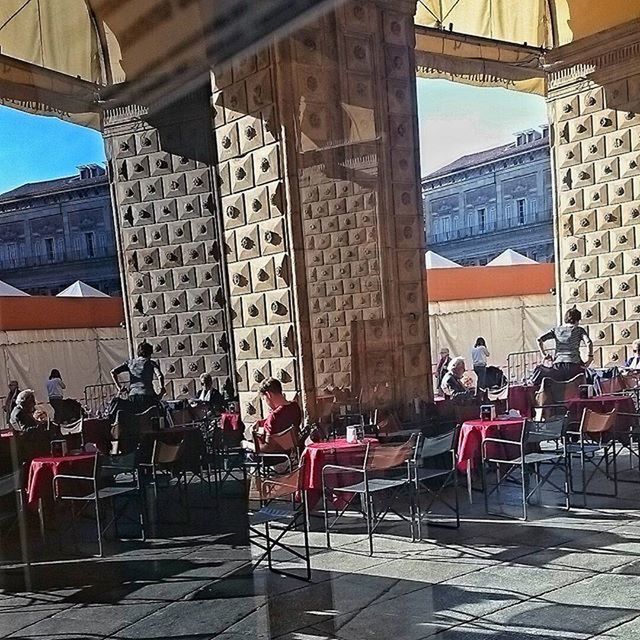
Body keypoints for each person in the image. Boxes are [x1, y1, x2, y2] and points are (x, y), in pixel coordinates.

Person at [242, 378, 302, 453]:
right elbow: (282, 419)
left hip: (274, 457)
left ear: (268, 394)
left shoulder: (273, 416)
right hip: (290, 451)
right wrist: (261, 423)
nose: (266, 403)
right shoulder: (295, 407)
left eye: (264, 399)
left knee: (244, 448)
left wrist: (248, 444)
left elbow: (267, 448)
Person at [537, 307, 593, 381]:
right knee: (583, 385)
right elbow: (589, 343)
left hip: (558, 364)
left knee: (559, 388)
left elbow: (539, 340)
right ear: (576, 320)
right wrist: (590, 358)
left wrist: (544, 354)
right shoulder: (579, 330)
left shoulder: (556, 330)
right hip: (574, 364)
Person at [111, 342, 166, 413]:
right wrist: (162, 389)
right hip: (148, 396)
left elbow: (113, 372)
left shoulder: (129, 363)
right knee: (160, 413)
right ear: (149, 353)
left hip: (132, 396)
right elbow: (160, 376)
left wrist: (119, 387)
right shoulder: (151, 363)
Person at [10, 389, 50, 462]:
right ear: (26, 402)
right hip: (30, 444)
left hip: (27, 442)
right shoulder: (20, 413)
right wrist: (41, 425)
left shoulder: (17, 410)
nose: (34, 403)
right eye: (32, 401)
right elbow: (25, 430)